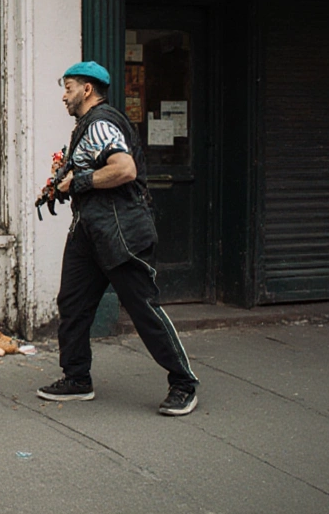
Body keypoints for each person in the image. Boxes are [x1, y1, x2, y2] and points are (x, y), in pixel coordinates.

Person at [37, 61, 199, 416]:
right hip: (89, 232)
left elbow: (125, 169)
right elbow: (92, 173)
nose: (64, 96)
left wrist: (78, 181)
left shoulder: (101, 123)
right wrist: (62, 183)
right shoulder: (87, 127)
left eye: (68, 88)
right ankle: (77, 378)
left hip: (119, 232)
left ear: (87, 90)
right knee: (73, 303)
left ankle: (183, 384)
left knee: (143, 308)